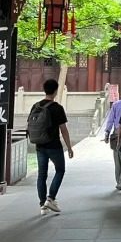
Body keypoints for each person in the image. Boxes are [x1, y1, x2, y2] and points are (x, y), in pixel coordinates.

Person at [35, 79, 74, 215]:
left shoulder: (36, 106)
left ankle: (42, 206)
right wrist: (69, 147)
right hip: (54, 145)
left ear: (45, 90)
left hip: (40, 145)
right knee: (60, 170)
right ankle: (50, 198)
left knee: (42, 175)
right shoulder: (57, 108)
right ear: (56, 91)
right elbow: (63, 129)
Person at [103, 85, 121, 192]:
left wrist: (107, 133)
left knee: (117, 159)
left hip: (116, 133)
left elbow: (110, 120)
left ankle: (119, 182)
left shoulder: (116, 105)